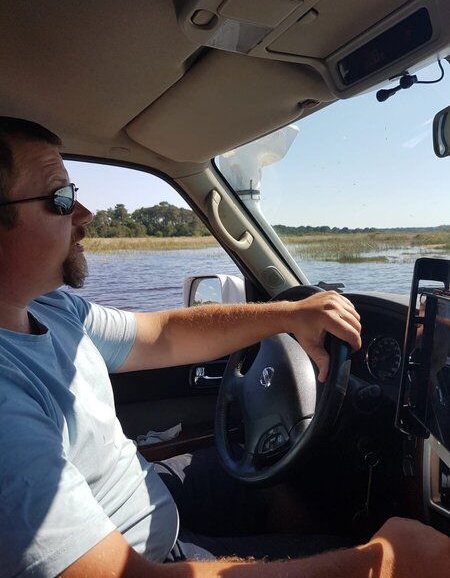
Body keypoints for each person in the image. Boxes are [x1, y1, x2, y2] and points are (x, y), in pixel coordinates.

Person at [0, 117, 448, 578]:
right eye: (60, 198)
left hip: (141, 494)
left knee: (276, 482)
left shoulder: (51, 307)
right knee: (352, 549)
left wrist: (291, 314)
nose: (84, 214)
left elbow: (162, 333)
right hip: (143, 556)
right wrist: (385, 563)